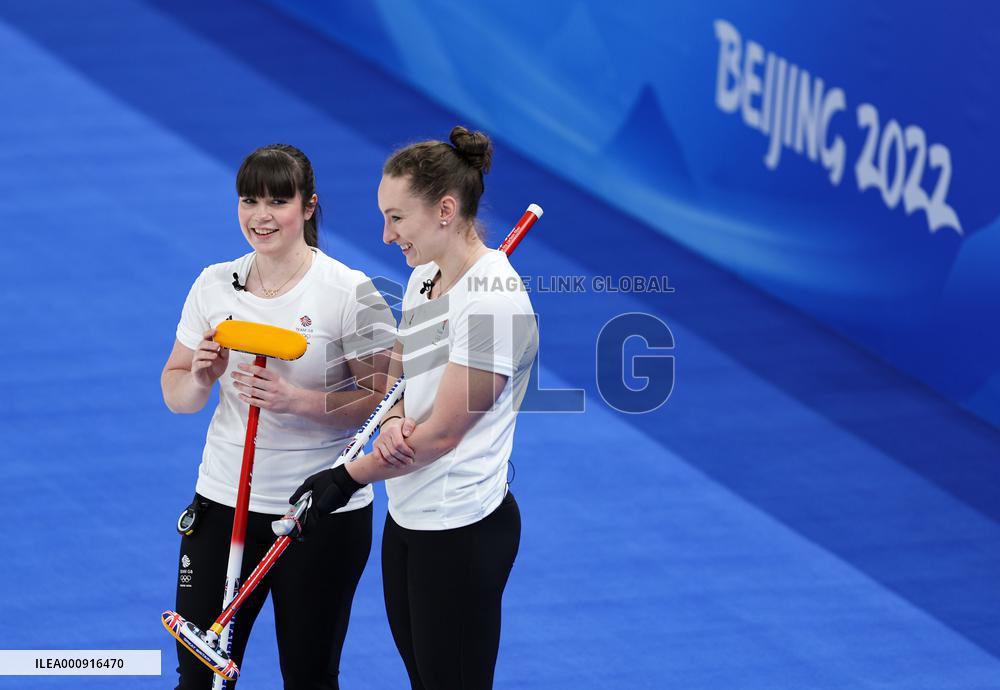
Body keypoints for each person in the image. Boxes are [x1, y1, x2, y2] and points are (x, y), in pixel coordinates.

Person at [292, 126, 538, 690]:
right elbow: (400, 380)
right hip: (407, 516)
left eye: (397, 218)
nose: (386, 235)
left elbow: (443, 434)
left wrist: (345, 478)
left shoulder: (494, 305)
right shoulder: (425, 278)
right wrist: (393, 417)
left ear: (445, 210)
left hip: (459, 530)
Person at [161, 144, 395, 690]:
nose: (260, 217)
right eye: (249, 201)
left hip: (319, 514)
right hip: (224, 503)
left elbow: (386, 400)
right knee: (198, 679)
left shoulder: (350, 293)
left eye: (277, 202)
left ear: (308, 207)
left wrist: (298, 401)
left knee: (309, 677)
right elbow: (178, 394)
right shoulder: (213, 283)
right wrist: (200, 377)